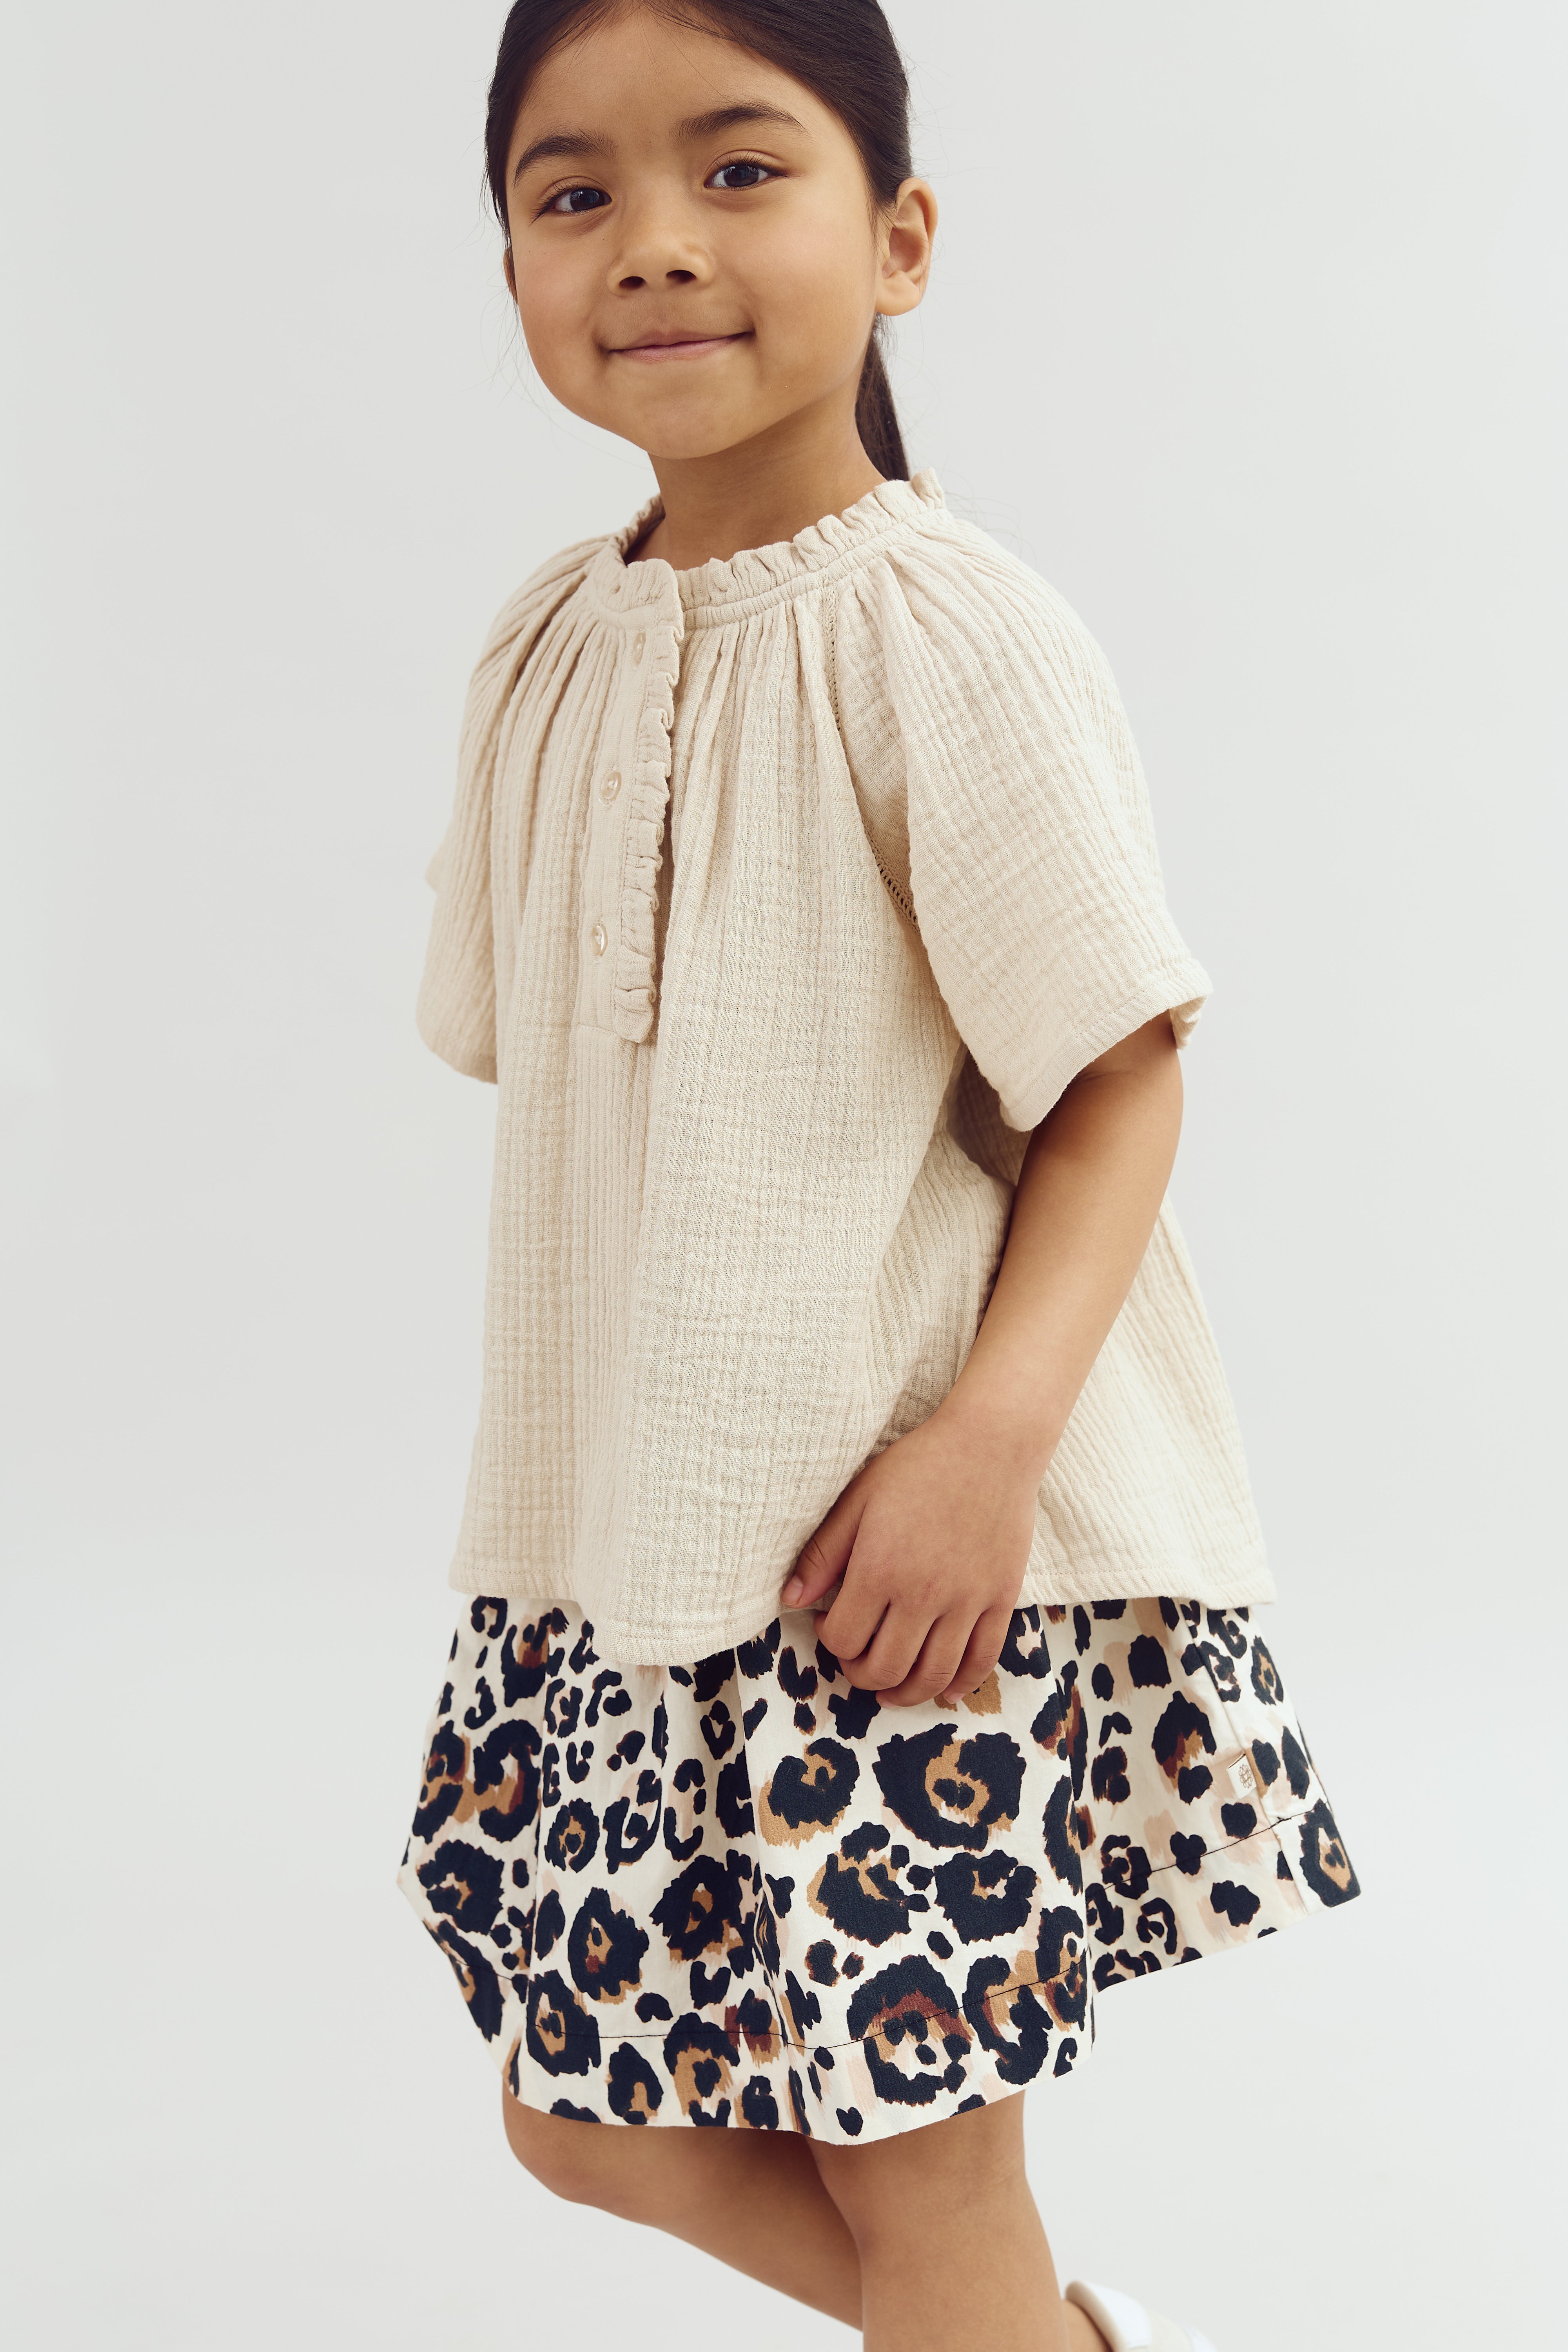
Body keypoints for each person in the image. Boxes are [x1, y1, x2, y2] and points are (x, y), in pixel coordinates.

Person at [398, 5, 1360, 2347]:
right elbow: (518, 1034)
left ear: (901, 237)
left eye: (742, 171)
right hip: (637, 1550)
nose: (651, 243)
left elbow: (1124, 1073)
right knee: (581, 2114)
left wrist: (985, 1457)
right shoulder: (545, 638)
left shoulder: (948, 632)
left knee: (917, 2180)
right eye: (574, 191)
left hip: (890, 1573)